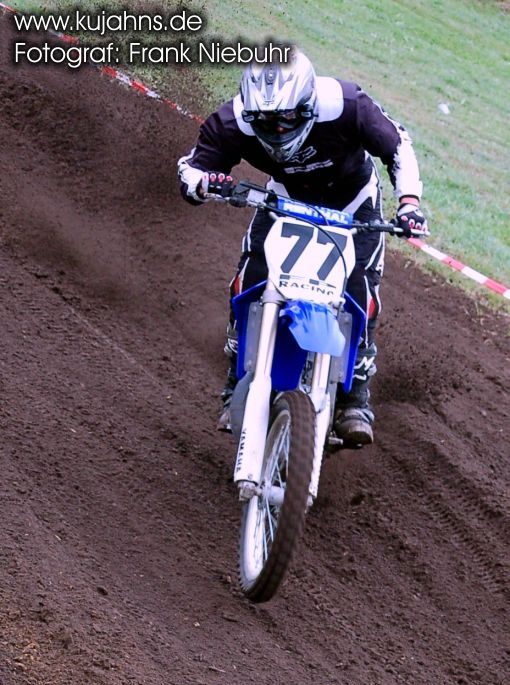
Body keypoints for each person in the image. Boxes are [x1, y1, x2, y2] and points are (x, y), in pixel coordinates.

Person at [177, 48, 427, 447]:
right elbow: (191, 168)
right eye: (266, 122)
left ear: (308, 106)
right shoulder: (233, 119)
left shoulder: (346, 105)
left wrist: (409, 203)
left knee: (359, 288)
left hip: (353, 200)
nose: (277, 130)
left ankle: (355, 399)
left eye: (287, 119)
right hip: (286, 198)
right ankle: (235, 381)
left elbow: (398, 145)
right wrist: (204, 184)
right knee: (251, 278)